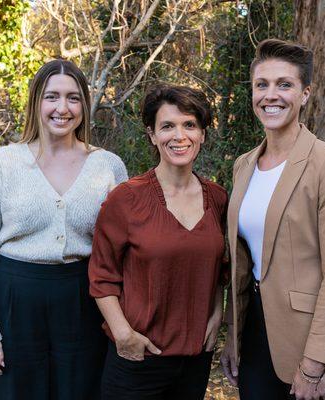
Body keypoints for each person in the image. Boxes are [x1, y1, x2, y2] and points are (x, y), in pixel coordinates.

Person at [0, 59, 128, 400]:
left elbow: (123, 252)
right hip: (14, 300)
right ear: (37, 101)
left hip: (83, 299)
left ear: (84, 104)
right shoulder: (4, 163)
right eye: (52, 96)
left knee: (81, 392)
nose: (62, 108)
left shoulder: (109, 166)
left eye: (73, 98)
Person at [220, 39, 325, 400]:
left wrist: (314, 365)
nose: (272, 95)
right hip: (256, 335)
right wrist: (233, 338)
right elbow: (242, 264)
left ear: (304, 94)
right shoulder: (244, 165)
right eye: (262, 85)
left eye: (284, 84)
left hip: (313, 345)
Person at [88, 84, 228, 400]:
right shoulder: (126, 199)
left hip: (195, 360)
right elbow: (101, 276)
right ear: (152, 135)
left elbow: (220, 269)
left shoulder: (218, 199)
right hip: (137, 359)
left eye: (189, 125)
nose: (179, 136)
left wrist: (217, 313)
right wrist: (123, 335)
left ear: (202, 133)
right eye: (167, 126)